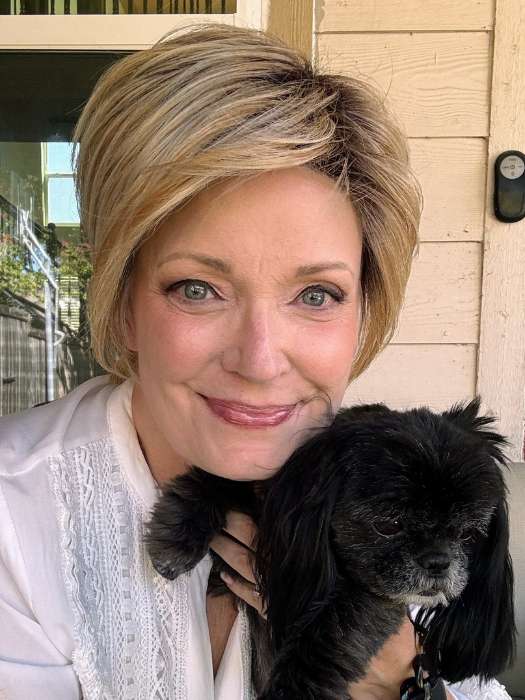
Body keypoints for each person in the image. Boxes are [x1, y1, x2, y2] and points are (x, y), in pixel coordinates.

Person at [0, 22, 513, 700]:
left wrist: (396, 681)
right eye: (197, 289)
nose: (260, 360)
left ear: (365, 310)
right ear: (120, 303)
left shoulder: (414, 491)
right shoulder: (17, 518)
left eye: (316, 294)